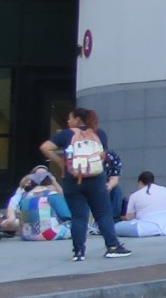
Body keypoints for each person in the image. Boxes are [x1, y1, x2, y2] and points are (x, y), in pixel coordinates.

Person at [39, 108, 132, 260]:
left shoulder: (65, 134)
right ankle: (112, 246)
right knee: (103, 214)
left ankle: (78, 252)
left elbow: (45, 147)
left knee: (78, 216)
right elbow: (103, 156)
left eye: (70, 118)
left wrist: (61, 162)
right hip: (96, 180)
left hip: (72, 180)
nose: (68, 121)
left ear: (78, 119)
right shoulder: (99, 133)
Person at [113, 172, 166, 238]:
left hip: (147, 227)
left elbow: (129, 217)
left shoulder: (135, 195)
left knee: (116, 227)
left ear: (140, 183)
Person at [17, 171, 70, 242]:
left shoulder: (24, 197)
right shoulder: (51, 195)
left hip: (26, 235)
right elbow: (65, 215)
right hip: (48, 233)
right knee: (77, 224)